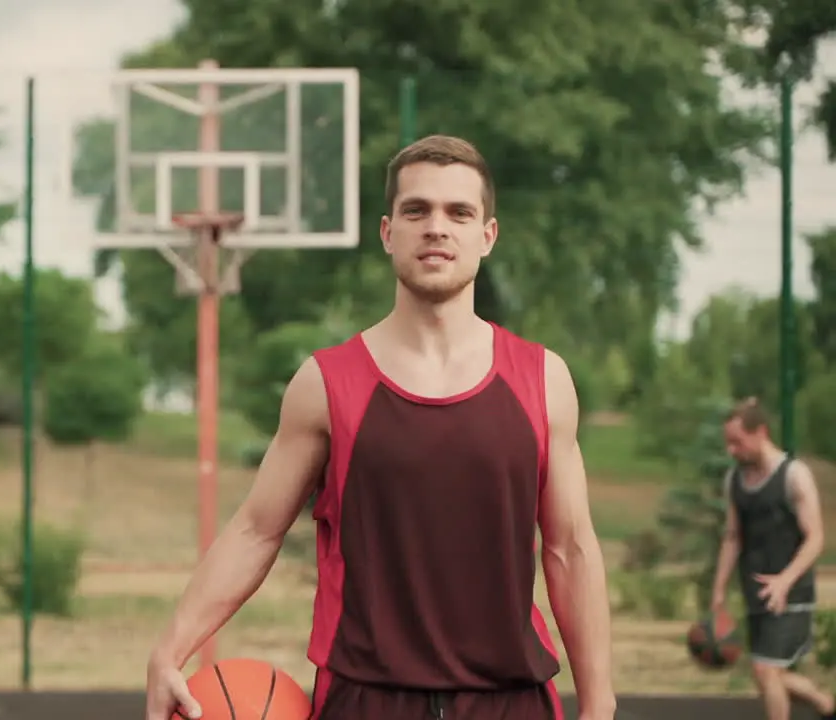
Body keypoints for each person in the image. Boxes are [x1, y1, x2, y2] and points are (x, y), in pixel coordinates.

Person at [144, 135, 615, 720]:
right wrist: (169, 650)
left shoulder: (543, 380)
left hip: (509, 701)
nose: (436, 228)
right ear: (389, 232)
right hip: (365, 700)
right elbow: (255, 532)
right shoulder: (326, 383)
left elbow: (570, 549)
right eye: (417, 210)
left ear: (486, 236)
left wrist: (599, 704)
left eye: (458, 212)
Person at [710, 399, 835, 720]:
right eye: (728, 442)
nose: (731, 450)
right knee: (764, 673)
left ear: (760, 432)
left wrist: (784, 580)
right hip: (757, 592)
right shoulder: (734, 480)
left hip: (791, 592)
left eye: (737, 441)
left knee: (766, 670)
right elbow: (733, 537)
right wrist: (719, 590)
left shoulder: (794, 475)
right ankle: (825, 704)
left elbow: (816, 538)